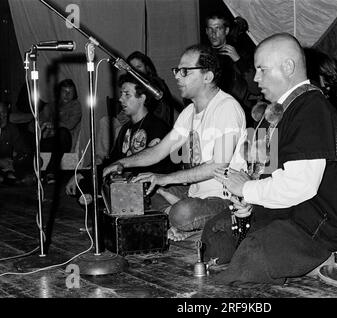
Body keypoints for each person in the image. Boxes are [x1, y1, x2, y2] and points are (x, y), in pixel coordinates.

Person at [201, 33, 337, 285]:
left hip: (315, 223)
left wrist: (246, 188)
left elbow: (300, 186)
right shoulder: (278, 111)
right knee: (216, 236)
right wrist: (246, 205)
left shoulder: (312, 107)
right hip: (284, 213)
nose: (255, 79)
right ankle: (304, 266)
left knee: (252, 258)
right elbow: (267, 176)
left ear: (288, 67)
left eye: (261, 70)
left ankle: (328, 260)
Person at [103, 44, 247, 241]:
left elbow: (218, 165)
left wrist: (165, 179)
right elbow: (160, 150)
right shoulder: (189, 112)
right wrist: (122, 163)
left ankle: (187, 223)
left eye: (185, 71)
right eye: (177, 70)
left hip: (223, 199)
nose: (178, 76)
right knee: (141, 191)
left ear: (208, 76)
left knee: (183, 213)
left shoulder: (227, 108)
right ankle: (186, 224)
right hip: (194, 194)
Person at [65, 74, 174, 206]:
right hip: (122, 182)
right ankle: (97, 203)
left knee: (102, 188)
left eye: (127, 94)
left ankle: (100, 203)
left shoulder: (157, 127)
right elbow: (112, 161)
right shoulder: (125, 129)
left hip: (145, 188)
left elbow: (156, 167)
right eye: (121, 94)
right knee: (82, 183)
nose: (121, 99)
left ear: (142, 98)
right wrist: (82, 174)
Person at [205, 12, 262, 127]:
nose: (213, 33)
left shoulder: (242, 54)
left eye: (218, 28)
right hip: (212, 118)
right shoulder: (203, 56)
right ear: (206, 31)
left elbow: (256, 89)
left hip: (241, 117)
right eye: (210, 29)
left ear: (226, 31)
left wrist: (238, 60)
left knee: (265, 139)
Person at [126, 51, 183, 126]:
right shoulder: (131, 84)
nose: (136, 71)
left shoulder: (155, 84)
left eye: (139, 67)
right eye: (132, 68)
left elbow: (154, 111)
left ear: (147, 67)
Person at [0, 102, 34, 185]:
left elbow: (24, 150)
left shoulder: (11, 129)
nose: (2, 116)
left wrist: (14, 162)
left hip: (10, 165)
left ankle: (12, 177)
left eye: (4, 112)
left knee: (35, 161)